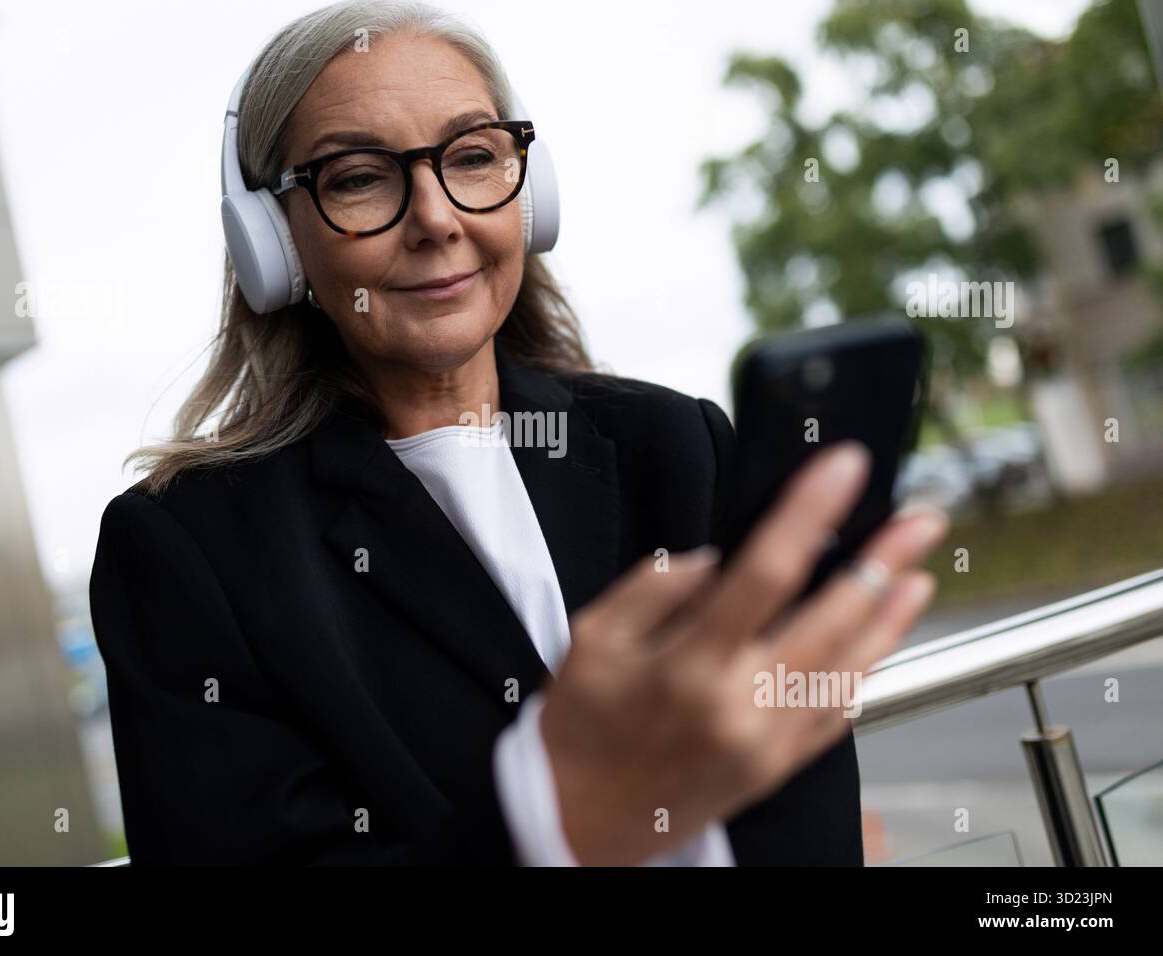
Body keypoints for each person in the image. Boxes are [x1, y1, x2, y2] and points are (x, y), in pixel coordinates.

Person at [89, 0, 948, 866]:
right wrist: (556, 822)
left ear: (527, 196)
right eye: (358, 177)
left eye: (472, 157)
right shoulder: (185, 554)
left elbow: (800, 791)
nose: (436, 217)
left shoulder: (676, 444)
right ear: (274, 241)